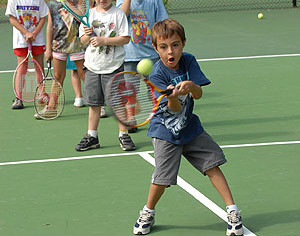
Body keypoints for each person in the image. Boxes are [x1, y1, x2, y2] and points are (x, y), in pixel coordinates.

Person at [133, 19, 244, 236]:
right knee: (162, 180)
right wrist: (174, 96)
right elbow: (173, 109)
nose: (170, 51)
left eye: (175, 45)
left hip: (190, 128)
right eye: (163, 47)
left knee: (213, 165)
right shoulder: (156, 74)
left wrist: (190, 86)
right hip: (165, 132)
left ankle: (233, 211)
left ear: (183, 43)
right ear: (156, 49)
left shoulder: (189, 61)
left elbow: (199, 94)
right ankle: (148, 211)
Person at [75, 0, 135, 151]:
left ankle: (124, 135)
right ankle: (92, 136)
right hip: (93, 67)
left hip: (114, 67)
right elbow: (82, 40)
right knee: (94, 104)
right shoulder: (89, 15)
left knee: (118, 103)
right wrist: (87, 36)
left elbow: (125, 38)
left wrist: (104, 40)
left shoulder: (118, 14)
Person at [116, 0, 168, 133]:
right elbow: (120, 17)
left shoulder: (154, 1)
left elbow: (163, 23)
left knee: (157, 89)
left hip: (152, 55)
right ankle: (131, 118)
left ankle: (161, 117)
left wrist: (162, 48)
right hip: (130, 55)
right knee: (130, 90)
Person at [36, 0, 86, 117]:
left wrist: (68, 3)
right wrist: (48, 48)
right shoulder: (52, 3)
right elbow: (50, 26)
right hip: (58, 45)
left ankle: (98, 106)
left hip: (78, 45)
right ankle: (51, 107)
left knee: (83, 74)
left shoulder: (81, 1)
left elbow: (82, 19)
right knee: (58, 76)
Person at [5, 0, 48, 109]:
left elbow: (43, 18)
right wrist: (26, 33)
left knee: (39, 67)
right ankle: (18, 98)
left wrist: (34, 33)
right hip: (20, 40)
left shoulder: (39, 1)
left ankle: (41, 94)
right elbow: (12, 19)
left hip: (37, 39)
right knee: (22, 68)